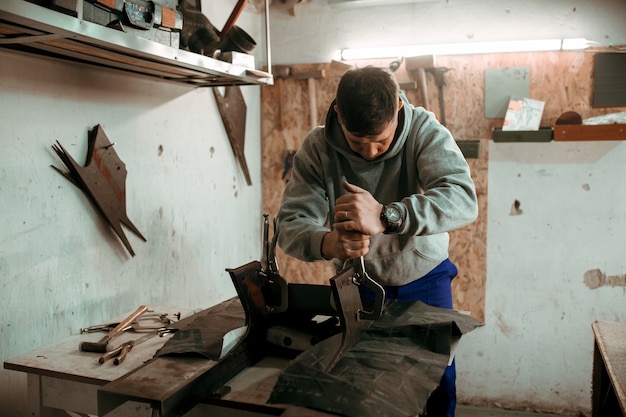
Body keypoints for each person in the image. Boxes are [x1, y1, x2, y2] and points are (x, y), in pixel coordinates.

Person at [276, 66, 478, 417]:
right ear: (338, 112)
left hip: (424, 276)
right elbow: (291, 226)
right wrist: (329, 243)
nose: (369, 153)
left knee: (437, 379)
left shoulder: (424, 131)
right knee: (359, 383)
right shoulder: (318, 147)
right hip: (359, 283)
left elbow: (462, 199)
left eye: (381, 142)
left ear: (398, 108)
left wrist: (388, 216)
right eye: (357, 143)